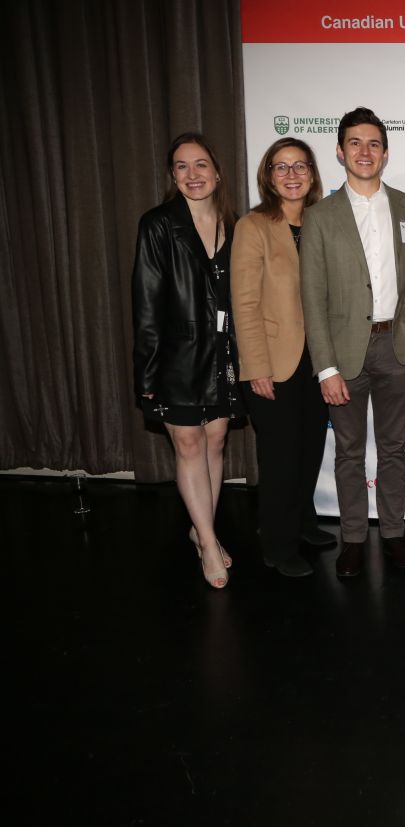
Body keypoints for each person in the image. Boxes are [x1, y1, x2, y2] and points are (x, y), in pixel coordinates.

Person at [299, 107, 405, 579]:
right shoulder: (319, 217)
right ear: (339, 151)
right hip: (344, 353)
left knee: (394, 448)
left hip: (398, 347)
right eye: (354, 142)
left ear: (385, 152)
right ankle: (353, 539)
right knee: (350, 451)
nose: (364, 151)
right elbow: (312, 298)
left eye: (373, 143)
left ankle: (394, 534)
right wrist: (326, 367)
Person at [132, 132, 242, 589]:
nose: (193, 175)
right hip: (176, 357)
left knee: (215, 441)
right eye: (182, 166)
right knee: (189, 445)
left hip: (224, 355)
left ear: (217, 173)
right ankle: (210, 545)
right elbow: (146, 302)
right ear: (172, 176)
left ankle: (202, 531)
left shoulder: (237, 225)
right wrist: (148, 372)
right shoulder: (158, 224)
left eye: (201, 165)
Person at [232, 137, 335, 578]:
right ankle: (276, 543)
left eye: (300, 166)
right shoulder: (253, 226)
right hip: (274, 361)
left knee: (310, 448)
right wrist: (255, 367)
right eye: (281, 167)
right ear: (268, 176)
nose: (292, 175)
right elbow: (244, 303)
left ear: (312, 173)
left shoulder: (323, 222)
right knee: (280, 457)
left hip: (319, 360)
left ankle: (304, 521)